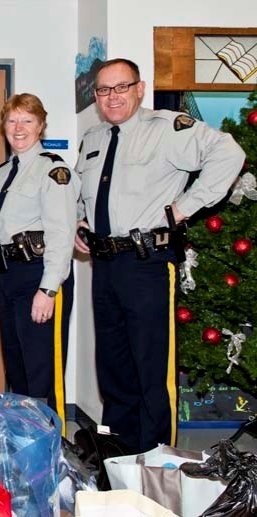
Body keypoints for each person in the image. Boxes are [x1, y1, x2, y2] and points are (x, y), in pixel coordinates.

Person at [74, 58, 245, 453]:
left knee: (151, 366)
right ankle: (116, 450)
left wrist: (187, 206)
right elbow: (91, 194)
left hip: (146, 263)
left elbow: (229, 154)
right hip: (106, 264)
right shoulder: (94, 139)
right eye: (104, 90)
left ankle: (154, 457)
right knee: (113, 363)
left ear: (140, 88)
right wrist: (83, 222)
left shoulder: (168, 129)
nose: (112, 97)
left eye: (121, 87)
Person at [0, 93, 79, 424]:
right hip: (7, 279)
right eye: (12, 121)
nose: (19, 128)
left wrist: (49, 289)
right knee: (18, 370)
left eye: (27, 120)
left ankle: (53, 452)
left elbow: (61, 233)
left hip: (38, 276)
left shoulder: (52, 171)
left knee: (43, 373)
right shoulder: (0, 174)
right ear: (4, 126)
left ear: (40, 125)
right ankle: (24, 448)